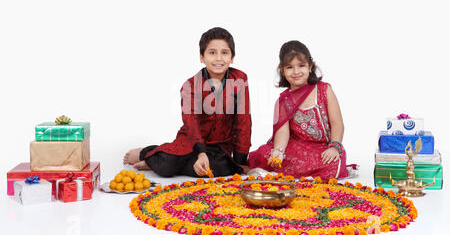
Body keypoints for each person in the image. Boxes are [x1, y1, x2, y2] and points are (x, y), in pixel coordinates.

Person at [123, 27, 252, 177]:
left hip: (220, 148)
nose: (218, 58)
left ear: (232, 57)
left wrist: (240, 161)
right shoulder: (190, 86)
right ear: (202, 57)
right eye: (212, 52)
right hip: (191, 141)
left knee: (222, 167)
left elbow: (243, 122)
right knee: (166, 167)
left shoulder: (240, 79)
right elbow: (191, 124)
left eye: (224, 53)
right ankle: (147, 153)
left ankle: (165, 162)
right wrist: (201, 153)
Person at [248, 40, 348, 181]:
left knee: (334, 163)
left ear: (310, 66)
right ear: (282, 69)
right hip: (296, 148)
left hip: (323, 148)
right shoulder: (284, 101)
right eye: (290, 67)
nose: (296, 72)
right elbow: (282, 132)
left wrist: (334, 147)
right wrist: (279, 151)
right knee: (265, 153)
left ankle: (283, 174)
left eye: (301, 66)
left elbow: (337, 122)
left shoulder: (324, 90)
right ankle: (286, 172)